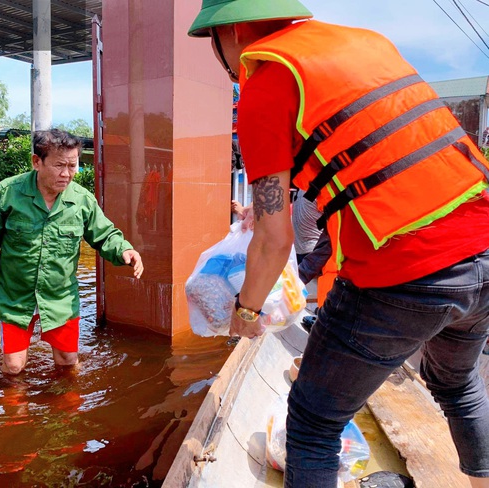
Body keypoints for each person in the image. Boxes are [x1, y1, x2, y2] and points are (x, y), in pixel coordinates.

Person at [188, 2, 489, 487]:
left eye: (213, 41)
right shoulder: (366, 43)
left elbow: (272, 240)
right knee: (458, 384)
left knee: (311, 424)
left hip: (404, 270)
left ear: (233, 29)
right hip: (483, 247)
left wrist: (244, 316)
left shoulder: (265, 84)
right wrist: (269, 205)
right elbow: (361, 151)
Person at [0, 129, 143, 375]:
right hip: (15, 297)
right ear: (36, 162)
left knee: (68, 362)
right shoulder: (7, 194)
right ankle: (16, 412)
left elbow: (105, 235)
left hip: (60, 298)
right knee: (13, 367)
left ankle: (67, 411)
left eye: (73, 166)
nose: (67, 174)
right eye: (59, 165)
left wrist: (124, 249)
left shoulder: (82, 200)